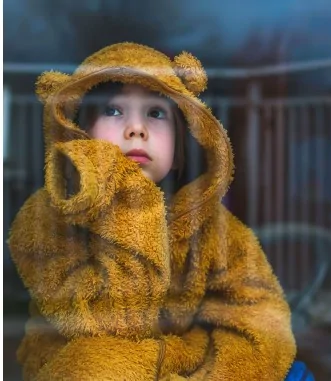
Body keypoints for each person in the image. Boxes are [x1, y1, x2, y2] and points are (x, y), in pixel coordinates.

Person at [8, 42, 309, 380]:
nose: (136, 129)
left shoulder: (213, 226)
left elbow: (261, 324)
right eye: (112, 110)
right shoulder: (44, 219)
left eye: (155, 113)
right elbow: (115, 322)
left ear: (180, 151)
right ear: (76, 133)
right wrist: (130, 203)